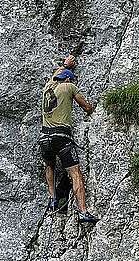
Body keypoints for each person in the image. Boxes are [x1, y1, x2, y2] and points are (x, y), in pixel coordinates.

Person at [39, 54, 99, 223]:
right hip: (61, 137)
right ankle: (82, 211)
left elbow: (54, 75)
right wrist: (92, 109)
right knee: (76, 174)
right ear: (68, 80)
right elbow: (85, 106)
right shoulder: (69, 87)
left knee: (49, 165)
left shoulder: (47, 88)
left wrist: (66, 65)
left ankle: (52, 198)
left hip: (44, 139)